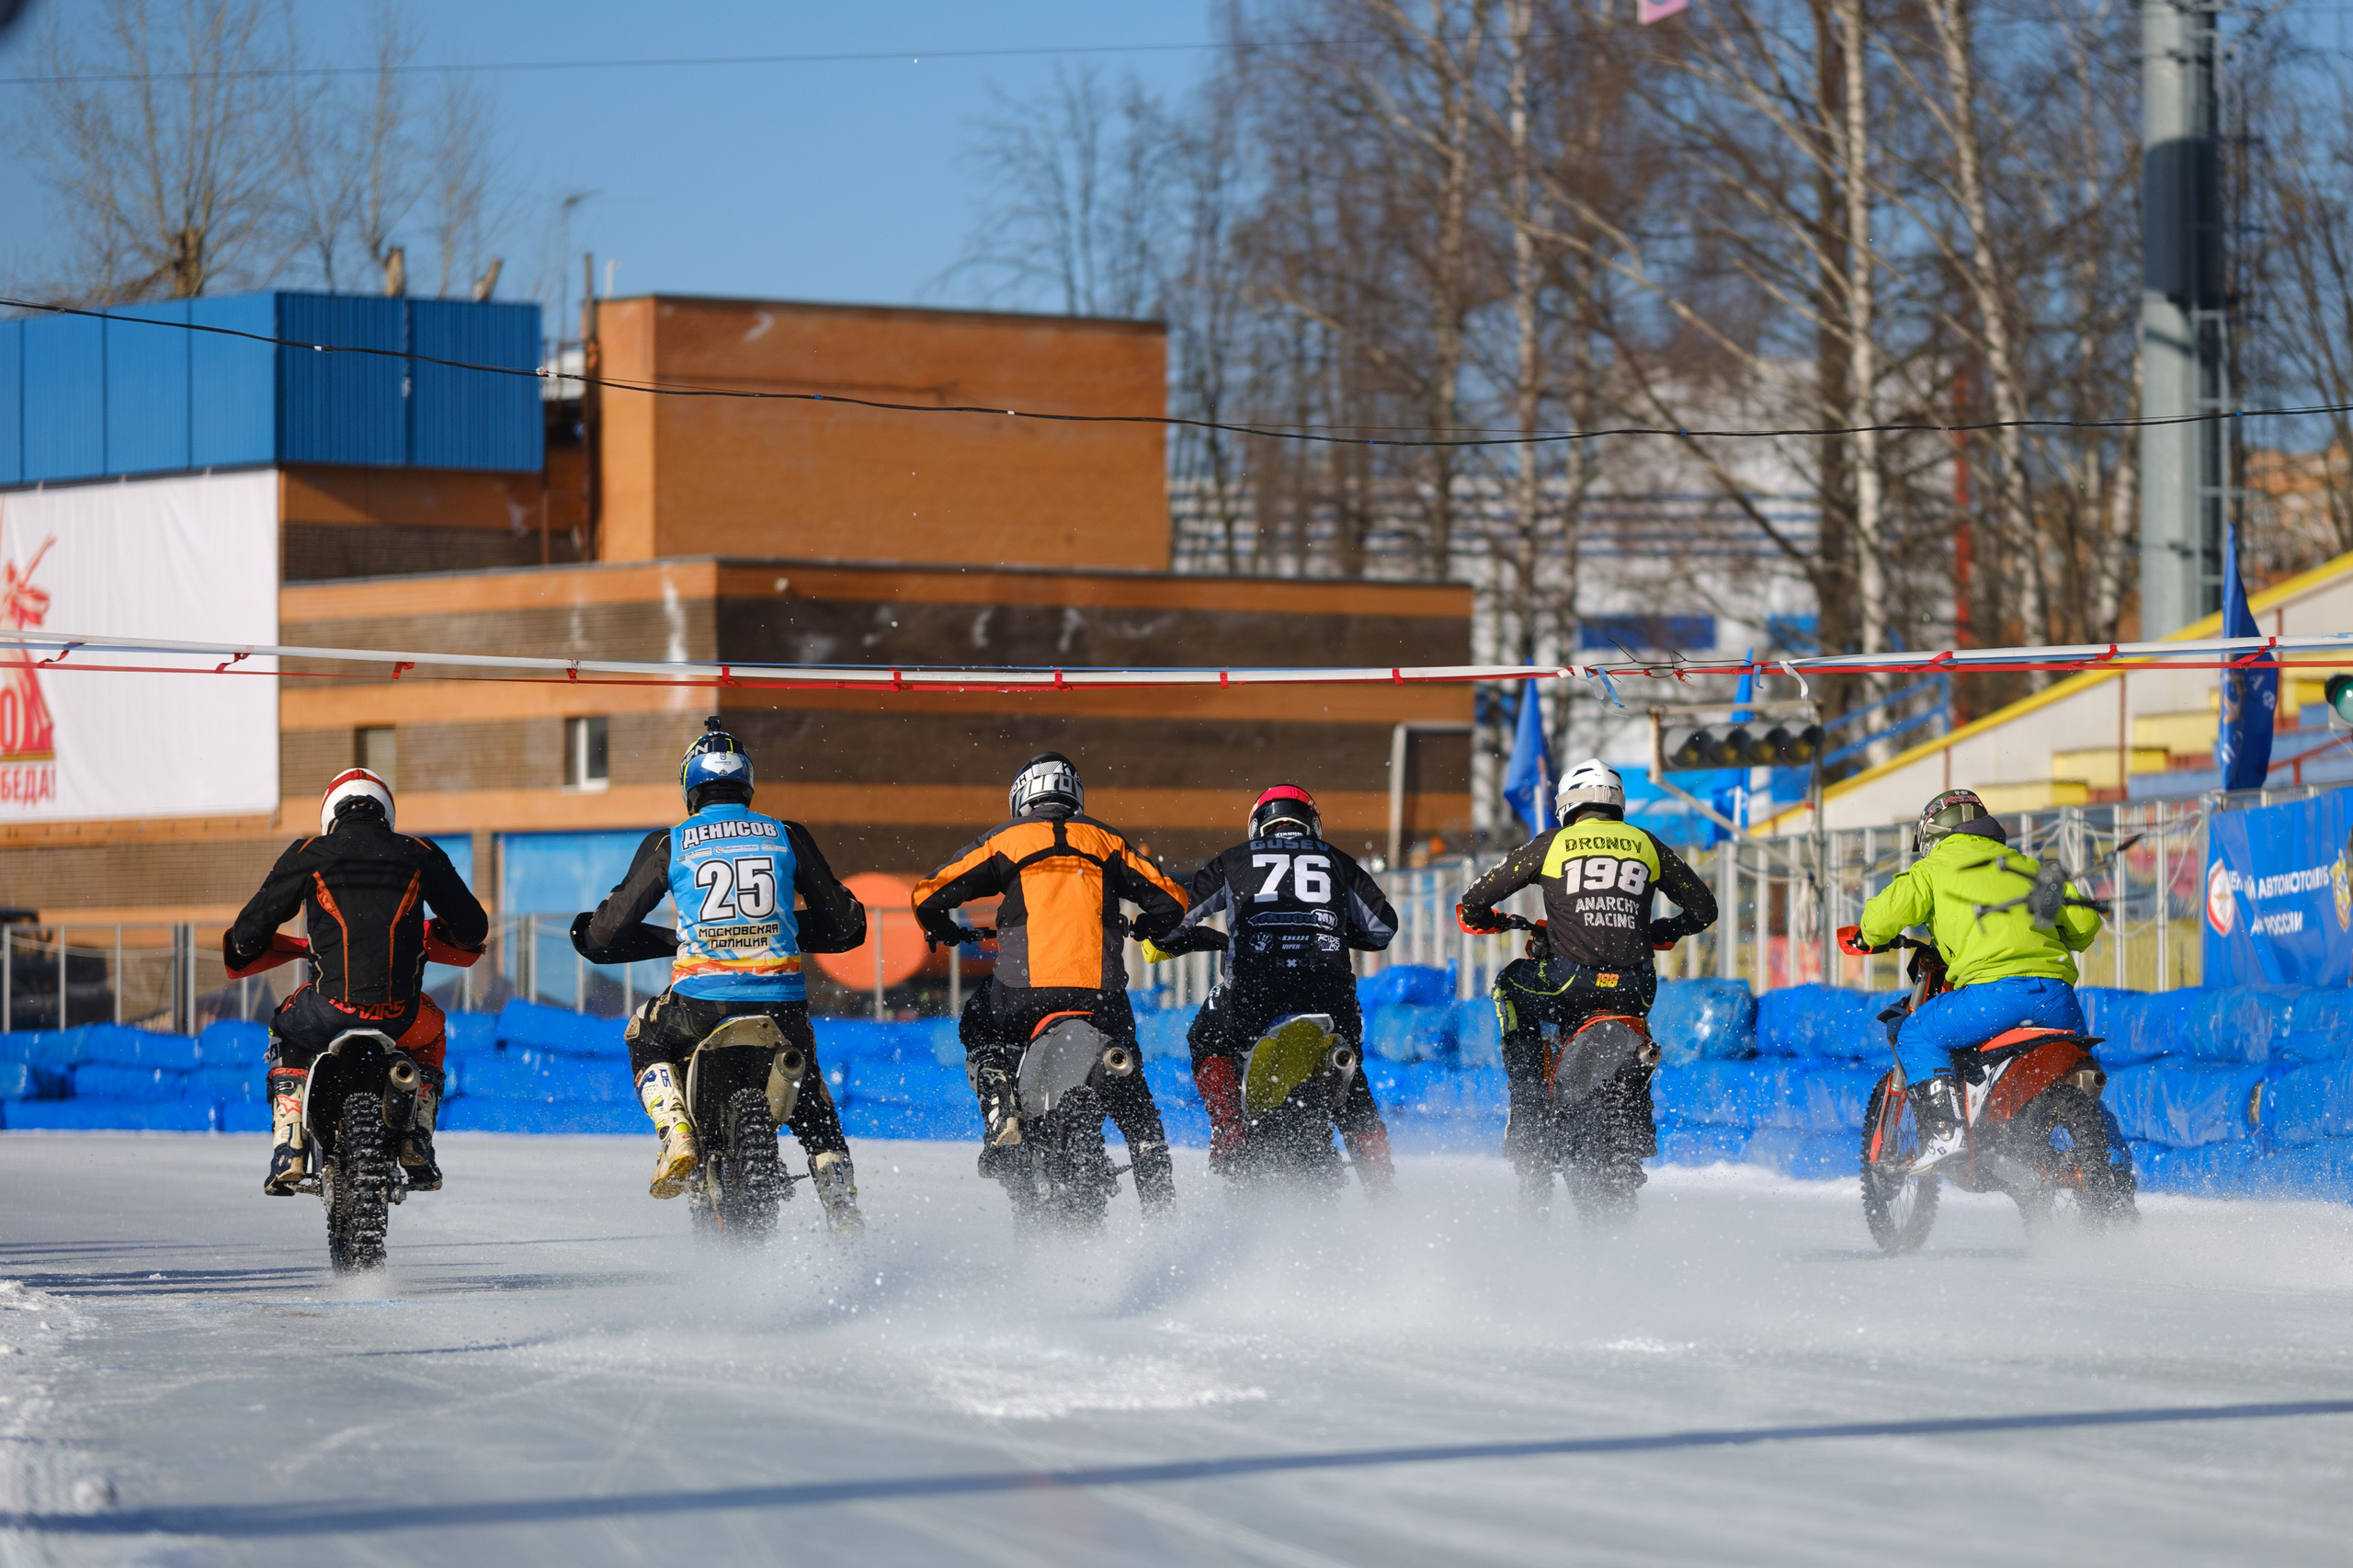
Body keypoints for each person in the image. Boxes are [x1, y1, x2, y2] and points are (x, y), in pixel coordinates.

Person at [581, 717, 869, 1233]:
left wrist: (636, 935)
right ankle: (837, 1189)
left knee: (643, 1034)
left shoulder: (671, 842)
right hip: (782, 1005)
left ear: (691, 786)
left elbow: (607, 929)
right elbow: (846, 923)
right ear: (747, 783)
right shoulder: (786, 835)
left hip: (700, 1003)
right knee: (812, 1093)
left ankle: (676, 1132)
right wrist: (790, 929)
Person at [911, 752, 1190, 1213]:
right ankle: (1157, 1187)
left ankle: (1000, 1103)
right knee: (1130, 1085)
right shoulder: (1106, 841)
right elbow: (1173, 901)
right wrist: (1147, 927)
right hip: (1101, 995)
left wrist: (942, 927)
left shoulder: (1010, 839)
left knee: (978, 1026)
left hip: (1022, 993)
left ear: (1023, 796)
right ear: (1074, 796)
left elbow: (929, 892)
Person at [1456, 759, 1718, 1208]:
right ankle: (1631, 1115)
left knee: (1509, 985)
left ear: (1567, 804)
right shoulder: (1646, 843)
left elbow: (1476, 899)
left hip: (1566, 982)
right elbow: (1703, 910)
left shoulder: (1553, 843)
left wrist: (1488, 920)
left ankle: (1528, 1107)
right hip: (1635, 988)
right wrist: (1663, 932)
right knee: (1637, 1041)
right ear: (1616, 801)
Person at [228, 768, 488, 1198]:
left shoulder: (308, 853)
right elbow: (472, 928)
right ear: (386, 812)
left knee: (284, 1025)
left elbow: (246, 934)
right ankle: (417, 1134)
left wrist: (246, 947)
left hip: (327, 1011)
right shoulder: (419, 852)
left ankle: (290, 1138)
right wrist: (447, 936)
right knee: (434, 1030)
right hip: (401, 1015)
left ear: (331, 812)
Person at [1148, 784, 1400, 1188]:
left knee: (1205, 1038)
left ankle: (1229, 1129)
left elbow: (1178, 915)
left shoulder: (1233, 860)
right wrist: (1332, 926)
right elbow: (1383, 927)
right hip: (1329, 993)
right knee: (1351, 1074)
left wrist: (1158, 934)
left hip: (1255, 989)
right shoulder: (1337, 860)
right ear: (1312, 823)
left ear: (1257, 824)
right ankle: (1382, 1183)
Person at [1855, 788, 2101, 1170]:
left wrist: (1866, 935)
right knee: (2080, 1091)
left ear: (1932, 835)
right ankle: (2115, 1170)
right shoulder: (2025, 865)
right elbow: (2085, 926)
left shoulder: (1934, 868)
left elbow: (1882, 916)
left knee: (1915, 1032)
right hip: (2058, 999)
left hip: (1997, 996)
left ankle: (1944, 1132)